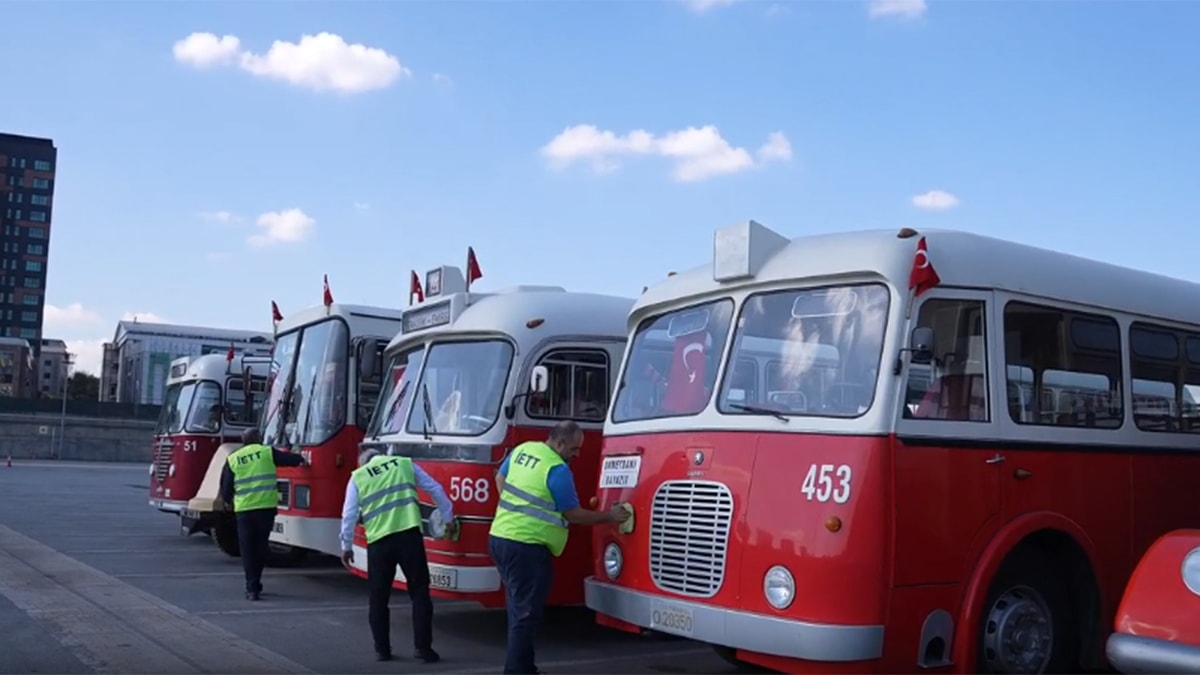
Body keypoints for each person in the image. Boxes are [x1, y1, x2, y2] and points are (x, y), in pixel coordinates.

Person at [488, 421, 630, 675]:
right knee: (525, 614)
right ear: (560, 443)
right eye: (574, 449)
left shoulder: (523, 450)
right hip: (527, 548)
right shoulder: (557, 468)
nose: (576, 455)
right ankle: (516, 671)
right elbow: (574, 515)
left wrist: (511, 509)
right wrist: (610, 516)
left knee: (518, 608)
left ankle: (525, 667)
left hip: (500, 538)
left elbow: (499, 477)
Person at [339, 448, 455, 664]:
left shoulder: (359, 476)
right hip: (409, 537)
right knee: (419, 593)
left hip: (379, 543)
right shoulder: (403, 463)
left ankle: (382, 650)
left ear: (364, 462)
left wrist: (346, 546)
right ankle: (423, 649)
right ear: (382, 454)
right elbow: (435, 488)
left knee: (379, 598)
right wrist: (448, 517)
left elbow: (349, 514)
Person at [218, 428, 306, 601]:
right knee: (260, 547)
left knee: (247, 549)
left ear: (243, 440)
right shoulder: (267, 452)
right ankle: (256, 582)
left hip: (244, 511)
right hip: (265, 510)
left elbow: (226, 488)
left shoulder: (234, 458)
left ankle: (251, 587)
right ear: (258, 439)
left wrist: (228, 502)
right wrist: (300, 456)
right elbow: (292, 460)